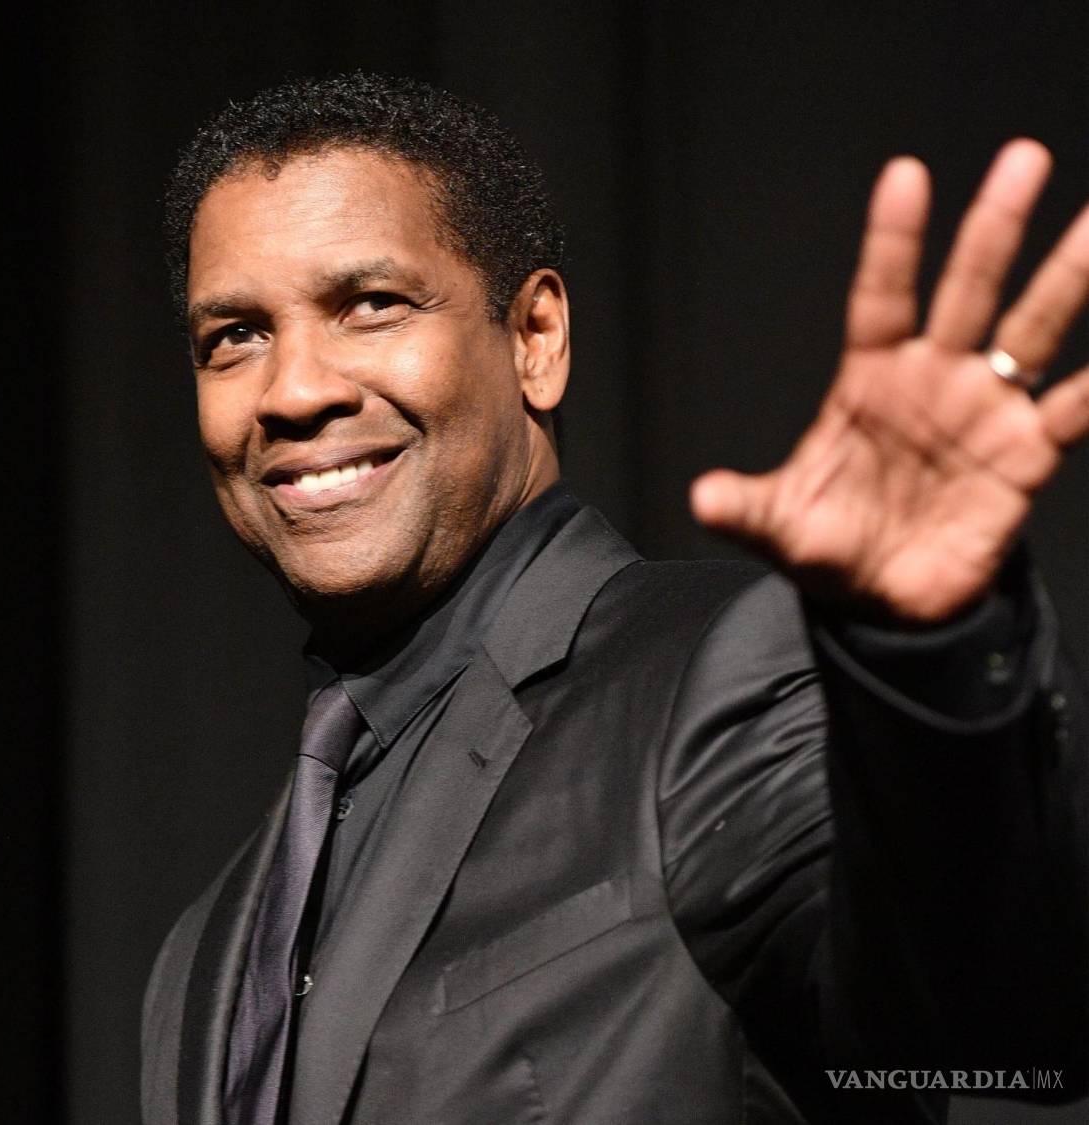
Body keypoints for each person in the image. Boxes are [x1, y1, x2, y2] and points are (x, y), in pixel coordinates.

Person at [141, 73, 1089, 1125]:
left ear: (535, 338)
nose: (291, 390)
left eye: (372, 305)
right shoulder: (201, 962)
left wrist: (930, 653)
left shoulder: (719, 682)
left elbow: (1004, 1025)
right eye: (235, 336)